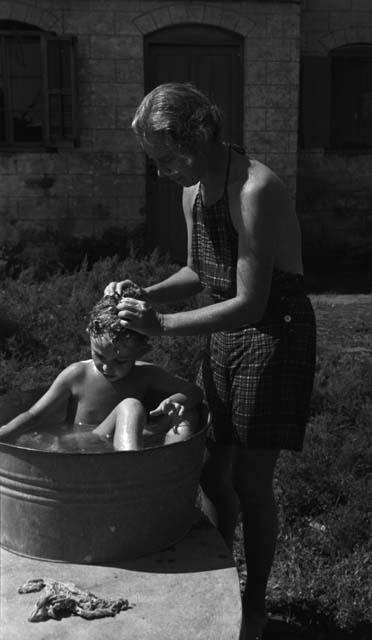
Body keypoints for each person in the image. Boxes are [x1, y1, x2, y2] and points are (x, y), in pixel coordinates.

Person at [104, 83, 316, 639]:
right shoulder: (193, 191)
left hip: (275, 333)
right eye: (155, 161)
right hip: (228, 331)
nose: (162, 170)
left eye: (168, 157)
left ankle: (255, 604)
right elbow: (200, 273)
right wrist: (145, 294)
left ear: (201, 136)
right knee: (209, 469)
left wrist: (164, 326)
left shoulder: (256, 189)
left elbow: (253, 301)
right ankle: (218, 585)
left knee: (250, 481)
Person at [0, 284, 203, 451]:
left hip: (128, 440)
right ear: (89, 339)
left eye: (120, 361)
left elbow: (194, 392)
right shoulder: (77, 375)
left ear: (141, 351)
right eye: (98, 355)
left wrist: (175, 401)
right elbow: (35, 415)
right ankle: (134, 466)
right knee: (130, 406)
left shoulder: (146, 374)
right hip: (85, 445)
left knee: (187, 414)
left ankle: (170, 458)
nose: (106, 367)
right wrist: (5, 433)